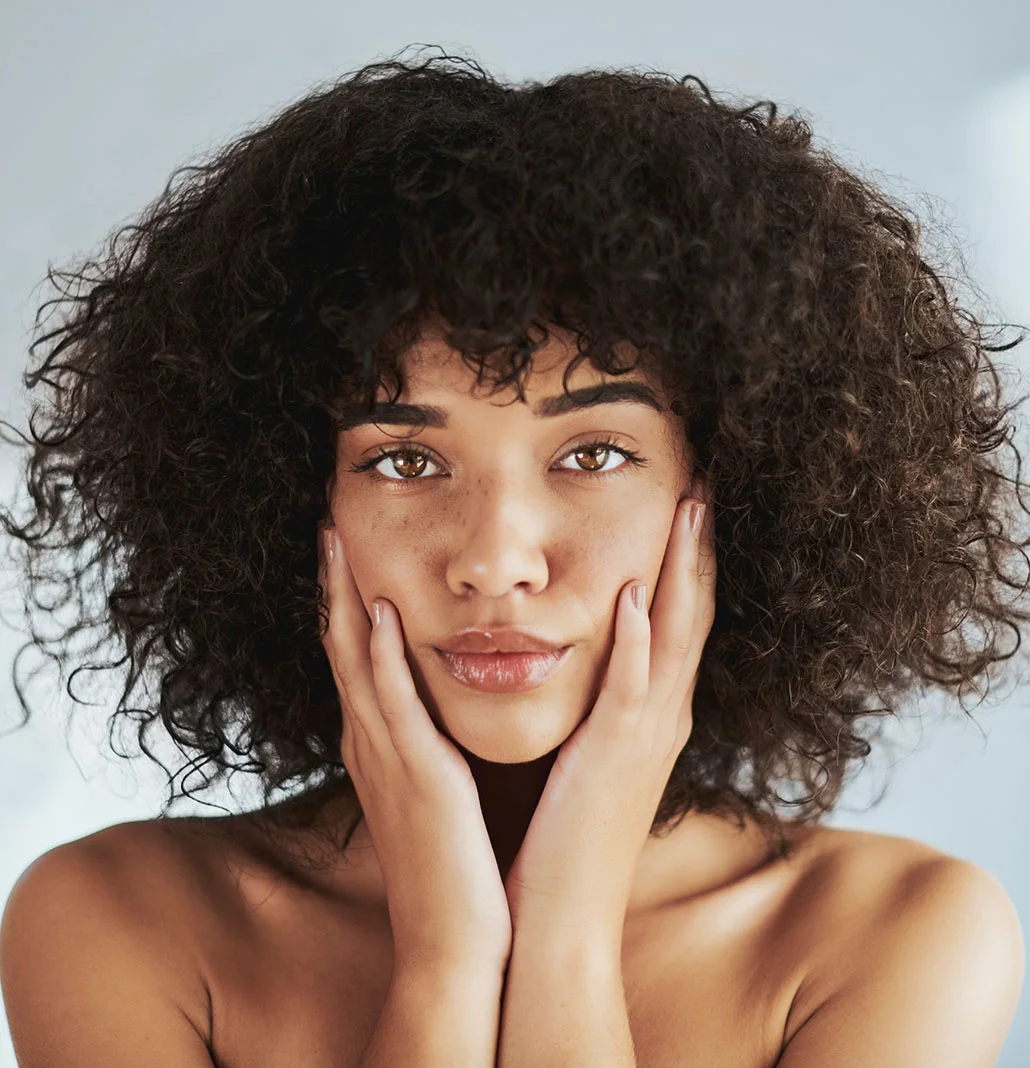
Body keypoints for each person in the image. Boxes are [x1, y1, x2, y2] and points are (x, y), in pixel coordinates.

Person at [0, 46, 1026, 1068]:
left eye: (593, 453)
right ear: (285, 501)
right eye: (405, 459)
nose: (494, 560)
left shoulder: (894, 938)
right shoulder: (117, 922)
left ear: (739, 493)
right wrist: (446, 959)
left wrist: (567, 933)